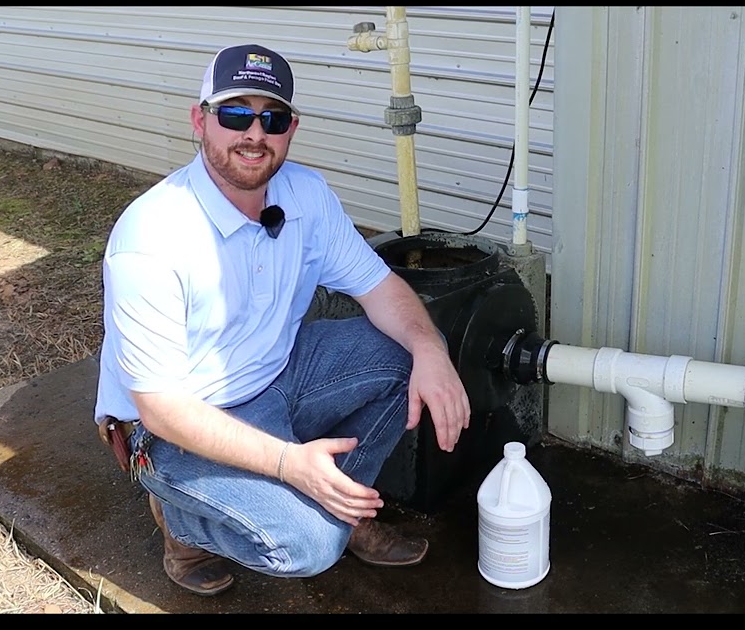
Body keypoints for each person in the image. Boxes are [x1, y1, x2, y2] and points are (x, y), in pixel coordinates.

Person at [93, 43, 471, 597]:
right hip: (171, 426)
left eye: (271, 117)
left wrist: (432, 352)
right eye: (234, 114)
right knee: (308, 548)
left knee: (409, 351)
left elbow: (383, 289)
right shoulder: (151, 236)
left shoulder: (306, 194)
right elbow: (161, 406)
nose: (254, 133)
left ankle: (346, 507)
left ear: (291, 127)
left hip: (274, 378)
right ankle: (183, 523)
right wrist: (289, 463)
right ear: (200, 120)